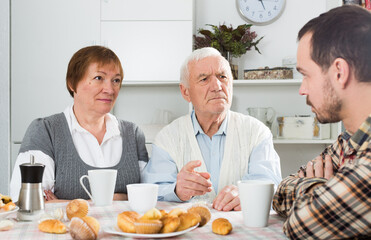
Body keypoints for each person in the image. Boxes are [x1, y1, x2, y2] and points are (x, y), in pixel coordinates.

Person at [272, 5, 371, 239]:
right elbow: (282, 191)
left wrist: (316, 187)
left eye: (306, 74)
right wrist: (324, 188)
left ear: (339, 72)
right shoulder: (352, 139)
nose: (302, 89)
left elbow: (301, 225)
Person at [142, 47, 282, 211]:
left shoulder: (256, 132)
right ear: (185, 92)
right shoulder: (167, 138)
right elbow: (153, 190)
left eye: (222, 77)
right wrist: (176, 190)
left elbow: (269, 182)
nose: (217, 86)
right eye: (204, 79)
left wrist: (247, 193)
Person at [10, 46, 148, 202]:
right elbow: (28, 200)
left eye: (116, 80)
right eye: (99, 78)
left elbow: (150, 196)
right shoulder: (46, 131)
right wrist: (121, 198)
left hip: (121, 228)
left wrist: (66, 204)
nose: (110, 90)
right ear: (72, 83)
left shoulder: (133, 134)